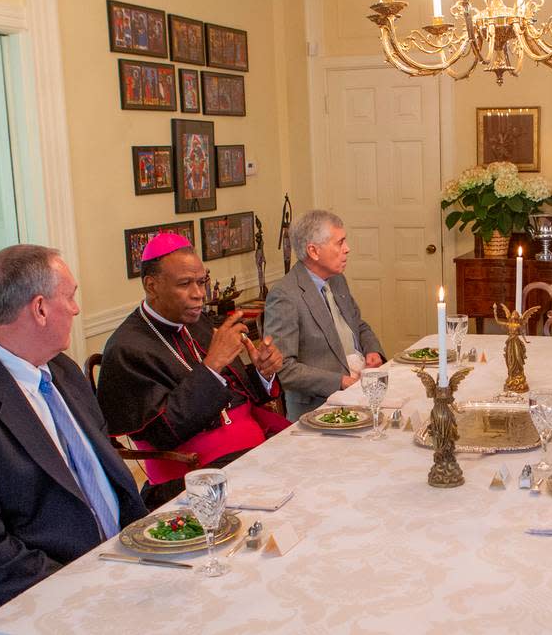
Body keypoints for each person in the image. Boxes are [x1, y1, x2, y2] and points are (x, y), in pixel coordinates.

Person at [0, 245, 147, 635]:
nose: (76, 308)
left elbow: (110, 481)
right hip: (25, 601)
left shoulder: (61, 370)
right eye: (69, 296)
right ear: (40, 309)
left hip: (113, 568)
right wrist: (91, 587)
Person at [97, 233, 289, 508]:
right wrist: (211, 366)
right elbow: (163, 432)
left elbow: (237, 393)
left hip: (248, 448)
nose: (199, 294)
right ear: (152, 286)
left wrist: (262, 372)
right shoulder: (126, 349)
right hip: (192, 476)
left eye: (201, 282)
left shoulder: (196, 322)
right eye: (185, 284)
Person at [264, 210, 386, 420]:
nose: (347, 249)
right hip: (320, 407)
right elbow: (283, 369)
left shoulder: (337, 279)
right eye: (340, 243)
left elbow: (358, 325)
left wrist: (373, 350)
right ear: (313, 251)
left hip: (361, 390)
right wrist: (341, 381)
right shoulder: (285, 295)